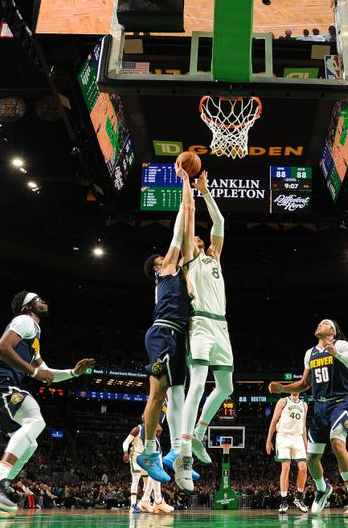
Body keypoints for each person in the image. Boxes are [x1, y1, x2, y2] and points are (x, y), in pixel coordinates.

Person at [0, 291, 94, 517]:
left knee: (31, 445)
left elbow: (46, 374)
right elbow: (2, 348)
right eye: (38, 299)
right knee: (35, 419)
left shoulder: (34, 335)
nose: (44, 302)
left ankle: (0, 485)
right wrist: (32, 372)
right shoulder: (24, 320)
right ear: (28, 306)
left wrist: (74, 373)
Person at [268, 319, 348, 516]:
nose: (319, 325)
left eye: (324, 323)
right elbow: (305, 384)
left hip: (340, 403)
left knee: (337, 443)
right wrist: (283, 388)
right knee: (311, 458)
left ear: (332, 330)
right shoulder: (309, 353)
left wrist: (337, 355)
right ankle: (322, 489)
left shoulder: (341, 345)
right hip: (320, 406)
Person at [138, 167, 194, 490]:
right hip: (162, 333)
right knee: (158, 393)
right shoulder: (168, 268)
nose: (168, 254)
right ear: (159, 266)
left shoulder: (171, 273)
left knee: (177, 395)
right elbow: (184, 215)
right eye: (163, 256)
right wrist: (185, 181)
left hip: (174, 334)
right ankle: (148, 452)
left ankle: (175, 451)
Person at [178, 170, 234, 472]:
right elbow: (188, 225)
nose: (200, 237)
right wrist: (188, 186)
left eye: (202, 237)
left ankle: (199, 433)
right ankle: (184, 446)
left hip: (221, 326)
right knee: (197, 383)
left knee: (226, 388)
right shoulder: (190, 256)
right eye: (196, 237)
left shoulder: (215, 259)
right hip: (199, 323)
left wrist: (206, 191)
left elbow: (220, 223)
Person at [265, 392, 309, 513]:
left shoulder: (304, 405)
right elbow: (274, 420)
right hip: (283, 436)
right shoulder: (283, 401)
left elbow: (303, 425)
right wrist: (269, 440)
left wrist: (306, 442)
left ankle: (298, 498)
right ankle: (283, 501)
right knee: (286, 467)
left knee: (303, 467)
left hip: (298, 437)